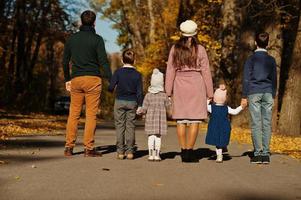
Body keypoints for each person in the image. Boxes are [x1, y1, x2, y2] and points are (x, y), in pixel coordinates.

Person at [63, 10, 112, 157]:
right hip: (93, 80)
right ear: (94, 22)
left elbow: (65, 61)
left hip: (76, 79)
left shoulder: (72, 39)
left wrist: (67, 79)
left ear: (81, 22)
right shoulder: (97, 39)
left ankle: (69, 147)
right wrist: (112, 79)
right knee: (91, 115)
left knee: (74, 114)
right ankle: (88, 148)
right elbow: (103, 61)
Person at [165, 20, 214, 163]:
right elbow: (206, 72)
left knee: (181, 120)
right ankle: (190, 152)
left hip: (179, 85)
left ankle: (183, 151)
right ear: (195, 33)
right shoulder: (200, 49)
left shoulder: (175, 49)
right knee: (194, 120)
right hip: (196, 85)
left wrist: (168, 91)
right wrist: (210, 92)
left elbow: (170, 70)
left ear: (181, 33)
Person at [241, 32, 277, 164]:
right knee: (266, 123)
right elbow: (274, 79)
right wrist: (273, 93)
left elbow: (246, 79)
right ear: (267, 43)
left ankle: (257, 154)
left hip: (254, 92)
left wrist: (244, 96)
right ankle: (266, 154)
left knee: (256, 123)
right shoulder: (271, 60)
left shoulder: (251, 59)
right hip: (268, 92)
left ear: (256, 43)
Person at [108, 49, 143, 160]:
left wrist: (111, 88)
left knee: (120, 126)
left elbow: (111, 87)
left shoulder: (118, 72)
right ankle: (130, 152)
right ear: (134, 61)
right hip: (132, 102)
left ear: (122, 60)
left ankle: (120, 152)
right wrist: (140, 105)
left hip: (119, 101)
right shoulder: (137, 75)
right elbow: (139, 92)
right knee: (130, 127)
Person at [137, 68, 170, 161]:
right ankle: (157, 154)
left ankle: (150, 154)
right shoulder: (164, 95)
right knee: (158, 137)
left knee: (151, 137)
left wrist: (139, 111)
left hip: (150, 120)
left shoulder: (148, 95)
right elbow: (168, 106)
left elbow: (144, 108)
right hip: (160, 120)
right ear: (161, 83)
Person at [206, 84, 244, 163]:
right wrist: (241, 107)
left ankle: (219, 156)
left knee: (218, 143)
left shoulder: (211, 108)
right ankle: (223, 148)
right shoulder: (226, 108)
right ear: (225, 99)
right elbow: (235, 112)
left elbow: (204, 106)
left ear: (214, 99)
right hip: (224, 126)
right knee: (222, 139)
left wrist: (208, 100)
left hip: (214, 126)